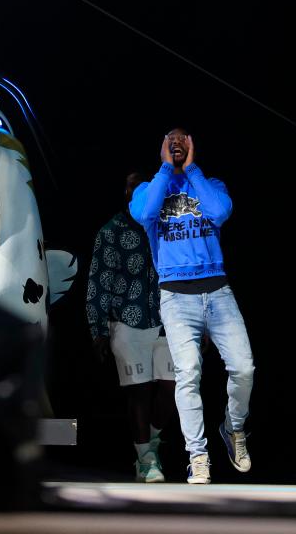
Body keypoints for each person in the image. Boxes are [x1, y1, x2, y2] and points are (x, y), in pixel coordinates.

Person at [129, 128, 254, 485]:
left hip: (217, 290)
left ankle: (233, 427)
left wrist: (193, 168)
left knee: (244, 367)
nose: (178, 146)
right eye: (172, 142)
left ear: (194, 147)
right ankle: (197, 457)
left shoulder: (209, 183)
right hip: (176, 296)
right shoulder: (148, 189)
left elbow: (221, 211)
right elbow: (145, 214)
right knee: (187, 375)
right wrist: (166, 169)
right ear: (162, 148)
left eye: (184, 141)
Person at [86, 172, 177, 483]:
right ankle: (146, 460)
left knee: (171, 388)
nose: (137, 191)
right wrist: (98, 329)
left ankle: (150, 444)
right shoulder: (112, 231)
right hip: (127, 321)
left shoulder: (167, 226)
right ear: (126, 193)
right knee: (138, 391)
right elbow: (98, 281)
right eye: (132, 186)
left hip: (168, 320)